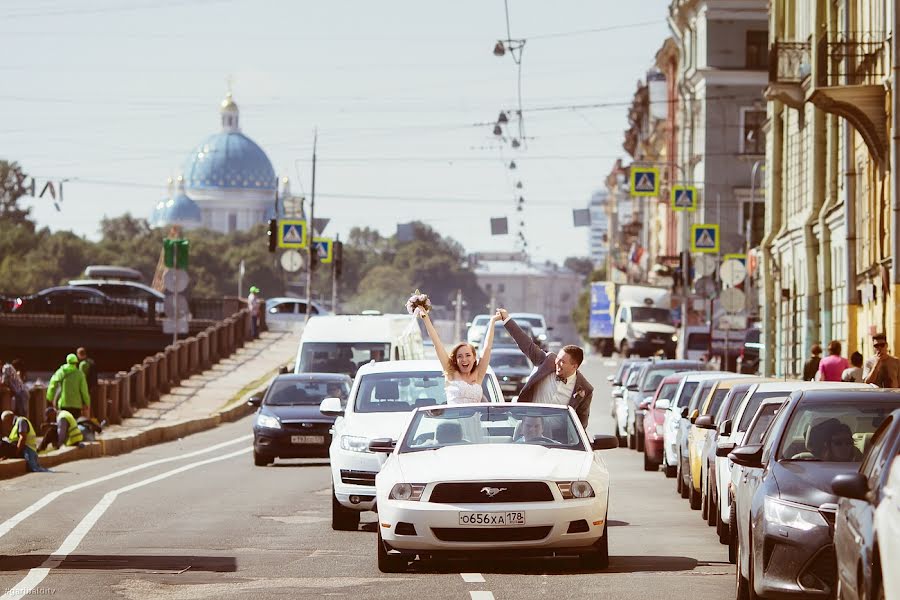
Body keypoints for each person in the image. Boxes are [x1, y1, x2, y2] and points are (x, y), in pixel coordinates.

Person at [496, 308, 594, 429]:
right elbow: (526, 344)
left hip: (558, 439)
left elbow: (581, 423)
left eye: (563, 362)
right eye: (558, 358)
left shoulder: (585, 389)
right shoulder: (547, 362)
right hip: (530, 430)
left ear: (575, 366)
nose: (557, 363)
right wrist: (507, 319)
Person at [419, 303, 500, 404]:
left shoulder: (478, 374)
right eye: (460, 356)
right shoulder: (451, 373)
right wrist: (425, 318)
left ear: (474, 358)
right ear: (455, 361)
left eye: (468, 355)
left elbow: (487, 347)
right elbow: (437, 343)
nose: (464, 359)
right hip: (453, 419)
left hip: (475, 419)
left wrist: (492, 321)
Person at [46, 353, 91, 420]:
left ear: (67, 361)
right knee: (74, 424)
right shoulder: (80, 374)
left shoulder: (61, 372)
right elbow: (84, 390)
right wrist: (87, 402)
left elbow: (53, 383)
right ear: (76, 363)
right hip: (77, 405)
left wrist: (50, 397)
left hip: (64, 404)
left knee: (64, 423)